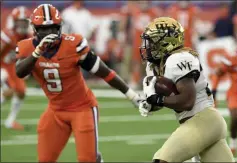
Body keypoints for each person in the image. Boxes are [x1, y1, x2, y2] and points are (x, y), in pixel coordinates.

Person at [15, 4, 144, 162]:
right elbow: (20, 72)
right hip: (55, 111)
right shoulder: (27, 47)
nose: (49, 33)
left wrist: (131, 95)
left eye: (53, 28)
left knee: (87, 160)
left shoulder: (72, 45)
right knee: (44, 160)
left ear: (60, 27)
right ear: (35, 29)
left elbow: (105, 72)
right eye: (43, 29)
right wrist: (37, 53)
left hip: (83, 109)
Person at [138, 17, 235, 162]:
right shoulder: (154, 66)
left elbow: (187, 101)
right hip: (204, 124)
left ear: (166, 41)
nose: (148, 46)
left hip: (203, 120)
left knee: (161, 160)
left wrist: (159, 99)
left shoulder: (179, 58)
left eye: (153, 41)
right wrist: (151, 104)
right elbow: (171, 98)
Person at [211, 24, 237, 155]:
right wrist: (214, 94)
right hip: (236, 93)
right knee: (236, 115)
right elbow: (217, 74)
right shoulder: (231, 58)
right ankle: (234, 144)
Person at [1, 6, 30, 130]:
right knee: (10, 91)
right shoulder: (7, 34)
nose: (23, 25)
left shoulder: (28, 37)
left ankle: (10, 121)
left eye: (25, 21)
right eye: (20, 21)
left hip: (12, 67)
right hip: (2, 65)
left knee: (21, 91)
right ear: (14, 21)